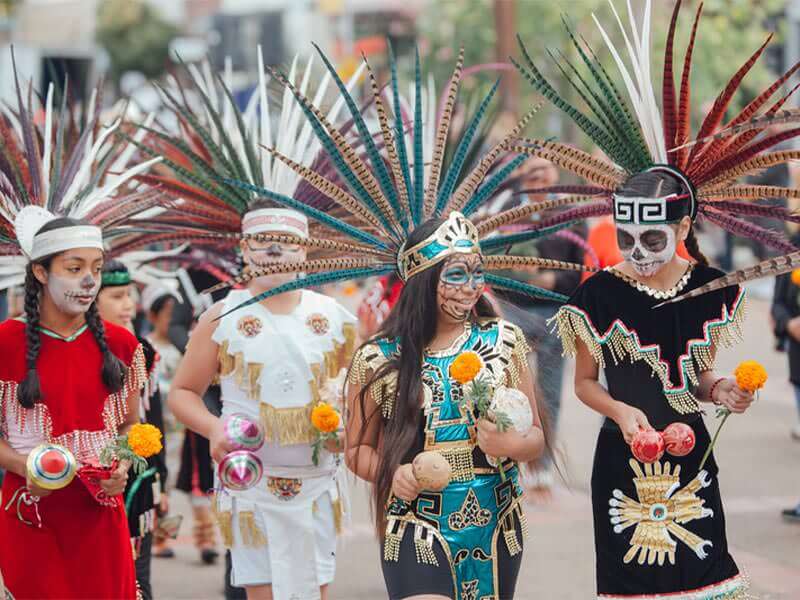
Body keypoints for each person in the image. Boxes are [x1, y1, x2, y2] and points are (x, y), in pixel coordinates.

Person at [197, 44, 593, 600]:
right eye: (456, 274)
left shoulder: (503, 341)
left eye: (477, 273)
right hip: (414, 524)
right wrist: (392, 471)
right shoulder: (378, 358)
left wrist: (512, 442)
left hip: (495, 519)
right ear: (423, 282)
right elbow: (356, 448)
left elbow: (536, 437)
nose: (471, 285)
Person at [514, 1, 800, 596]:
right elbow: (587, 384)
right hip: (624, 458)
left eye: (652, 237)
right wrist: (622, 413)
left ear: (684, 228)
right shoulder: (597, 292)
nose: (637, 250)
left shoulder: (708, 290)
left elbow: (691, 380)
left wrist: (721, 390)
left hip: (691, 455)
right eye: (625, 237)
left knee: (703, 585)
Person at [0, 67, 160, 600]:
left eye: (95, 266)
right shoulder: (3, 341)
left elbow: (134, 429)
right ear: (41, 273)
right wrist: (22, 463)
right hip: (30, 510)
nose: (89, 279)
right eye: (74, 267)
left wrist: (121, 469)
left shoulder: (120, 344)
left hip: (100, 511)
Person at [169, 204, 357, 600]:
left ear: (305, 249)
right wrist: (213, 427)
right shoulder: (223, 316)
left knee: (313, 590)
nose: (275, 250)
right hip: (250, 483)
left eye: (287, 242)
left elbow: (358, 392)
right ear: (244, 246)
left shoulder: (335, 318)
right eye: (264, 240)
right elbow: (183, 393)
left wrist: (349, 427)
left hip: (317, 481)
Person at [96, 260, 169, 600]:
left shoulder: (143, 351)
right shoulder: (77, 352)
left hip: (138, 477)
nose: (128, 304)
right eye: (117, 296)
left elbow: (152, 423)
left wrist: (162, 481)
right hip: (91, 474)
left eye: (130, 295)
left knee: (137, 575)